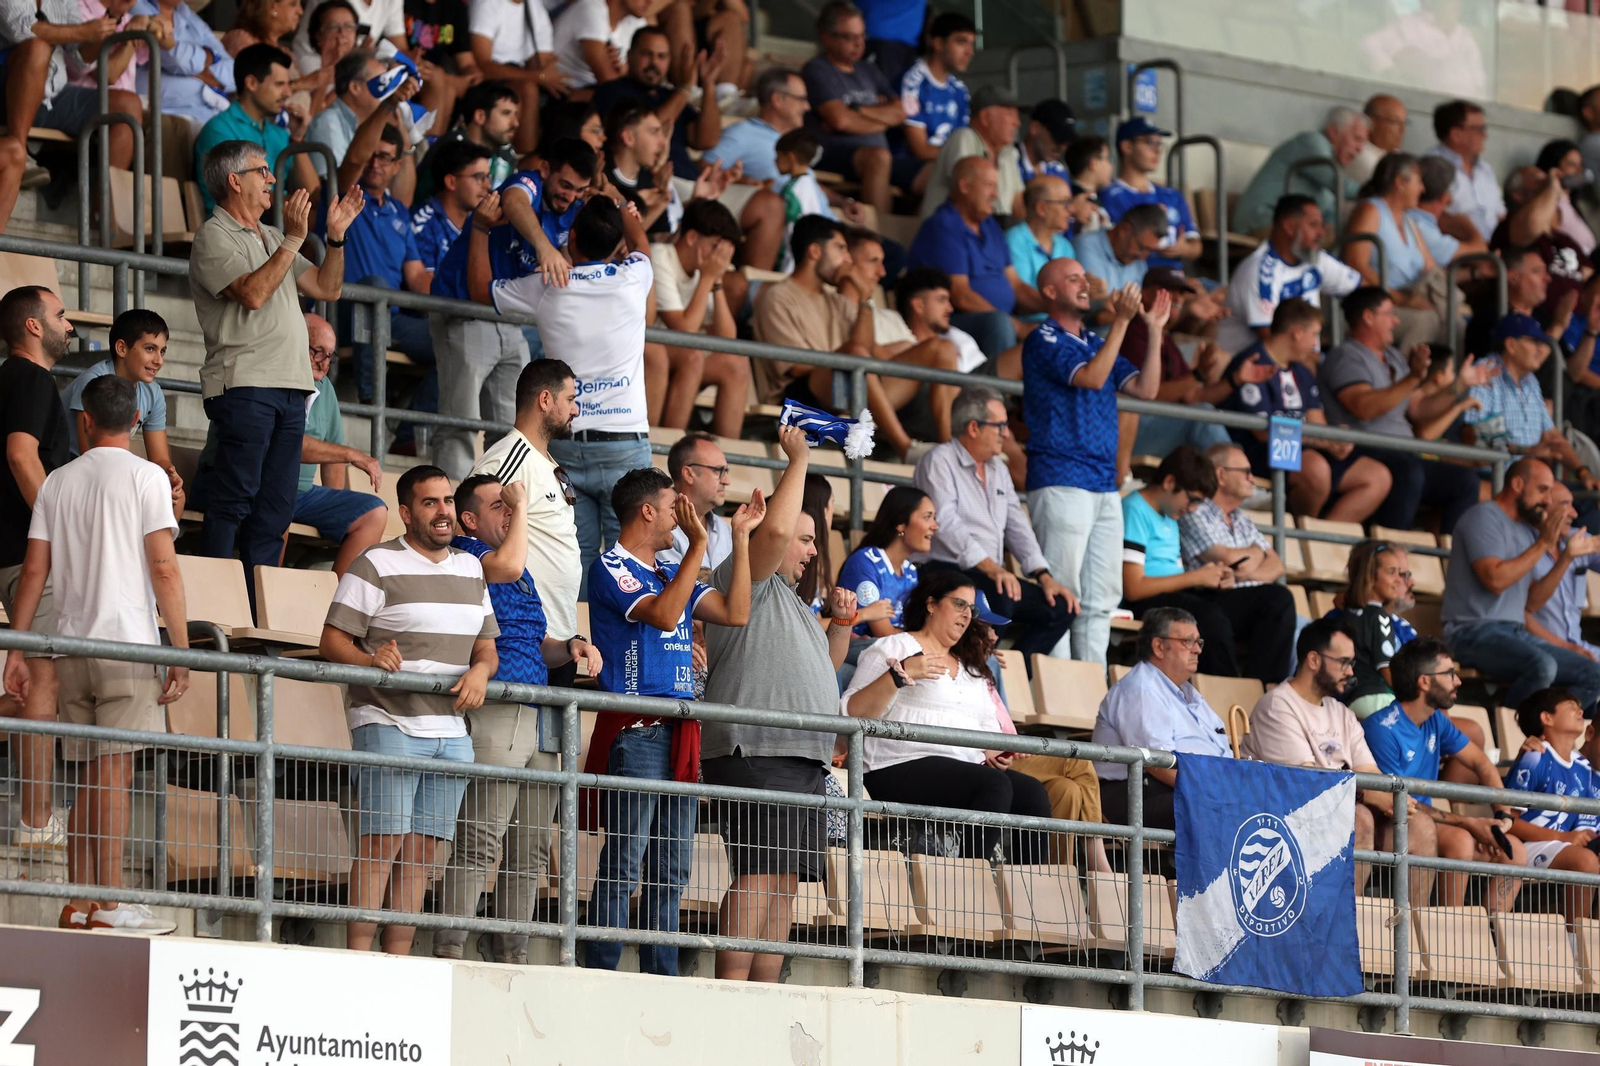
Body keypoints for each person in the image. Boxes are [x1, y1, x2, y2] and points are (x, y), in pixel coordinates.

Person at [2, 376, 189, 935]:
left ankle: (81, 902)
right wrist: (180, 650)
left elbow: (34, 571)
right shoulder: (146, 475)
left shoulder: (58, 481)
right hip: (126, 645)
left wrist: (17, 646)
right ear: (136, 422)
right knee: (113, 777)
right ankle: (107, 905)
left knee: (87, 779)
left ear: (84, 420)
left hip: (68, 647)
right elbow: (164, 566)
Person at [583, 466, 756, 974]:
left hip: (679, 730)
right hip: (637, 730)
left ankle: (661, 974)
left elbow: (735, 611)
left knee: (672, 869)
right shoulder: (609, 566)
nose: (683, 513)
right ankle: (602, 970)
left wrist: (740, 540)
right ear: (647, 511)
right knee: (624, 862)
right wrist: (698, 547)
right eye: (673, 503)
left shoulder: (666, 570)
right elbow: (661, 614)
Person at [320, 464, 498, 954]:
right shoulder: (374, 563)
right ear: (405, 512)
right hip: (388, 721)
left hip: (452, 731)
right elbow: (331, 640)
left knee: (422, 856)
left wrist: (481, 672)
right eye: (429, 503)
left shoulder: (470, 567)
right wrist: (369, 659)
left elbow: (487, 647)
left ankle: (397, 961)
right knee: (381, 846)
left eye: (447, 501)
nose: (443, 512)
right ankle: (359, 959)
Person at [701, 427, 856, 982]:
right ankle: (733, 995)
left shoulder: (789, 602)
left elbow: (825, 668)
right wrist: (799, 459)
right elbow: (779, 529)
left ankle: (764, 999)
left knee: (786, 880)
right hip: (757, 748)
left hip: (800, 756)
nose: (811, 549)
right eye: (806, 539)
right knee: (760, 873)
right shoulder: (746, 577)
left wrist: (839, 626)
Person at [434, 473, 601, 964]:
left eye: (511, 504)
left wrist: (568, 647)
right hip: (497, 707)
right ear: (469, 519)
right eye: (498, 505)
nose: (509, 511)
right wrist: (524, 507)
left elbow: (537, 643)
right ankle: (450, 950)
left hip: (537, 709)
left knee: (529, 849)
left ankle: (514, 955)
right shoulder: (468, 553)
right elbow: (504, 568)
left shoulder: (515, 564)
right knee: (480, 840)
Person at [189, 142, 363, 602]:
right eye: (262, 171)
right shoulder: (214, 234)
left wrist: (336, 237)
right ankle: (216, 600)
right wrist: (291, 238)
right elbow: (251, 294)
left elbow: (328, 287)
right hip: (245, 384)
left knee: (276, 505)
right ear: (234, 180)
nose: (271, 179)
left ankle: (256, 605)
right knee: (235, 498)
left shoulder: (271, 236)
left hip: (290, 389)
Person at [468, 190, 651, 589]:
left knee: (579, 562)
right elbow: (643, 246)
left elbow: (480, 289)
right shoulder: (634, 277)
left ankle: (580, 648)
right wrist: (623, 206)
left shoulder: (549, 283)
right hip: (625, 442)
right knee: (635, 559)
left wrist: (480, 227)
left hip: (565, 438)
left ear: (569, 239)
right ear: (616, 244)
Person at [843, 567, 1054, 862]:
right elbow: (851, 714)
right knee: (993, 785)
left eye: (971, 608)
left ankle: (1027, 897)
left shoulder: (972, 666)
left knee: (1032, 794)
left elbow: (986, 728)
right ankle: (966, 890)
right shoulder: (895, 645)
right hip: (894, 765)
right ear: (931, 604)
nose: (967, 615)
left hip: (962, 769)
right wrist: (897, 675)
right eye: (959, 604)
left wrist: (996, 751)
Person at [1023, 261, 1164, 666]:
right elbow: (1091, 378)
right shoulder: (1043, 338)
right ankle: (1060, 691)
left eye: (1085, 278)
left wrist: (1151, 328)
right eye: (1073, 279)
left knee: (1101, 598)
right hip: (1061, 477)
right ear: (1050, 292)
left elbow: (1146, 388)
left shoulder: (1094, 339)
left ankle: (1089, 693)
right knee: (1062, 595)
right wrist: (1121, 322)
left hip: (1103, 483)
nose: (1084, 285)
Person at [752, 214, 957, 461]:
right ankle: (905, 446)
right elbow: (794, 368)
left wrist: (863, 298)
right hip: (798, 399)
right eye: (840, 248)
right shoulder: (778, 296)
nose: (847, 259)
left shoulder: (837, 301)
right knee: (855, 356)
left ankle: (949, 449)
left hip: (849, 385)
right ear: (815, 251)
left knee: (940, 348)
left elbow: (865, 348)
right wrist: (847, 358)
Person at [1242, 617, 1413, 895]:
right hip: (1285, 818)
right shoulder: (1277, 705)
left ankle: (1410, 930)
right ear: (1313, 660)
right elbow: (1307, 782)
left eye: (1352, 663)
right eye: (1343, 662)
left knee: (1418, 826)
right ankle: (1346, 927)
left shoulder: (1341, 712)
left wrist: (1385, 798)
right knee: (1360, 818)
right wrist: (1368, 795)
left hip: (1336, 807)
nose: (1350, 672)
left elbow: (1371, 773)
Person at [916, 385, 1078, 665]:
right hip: (943, 569)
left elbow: (1017, 524)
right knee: (999, 602)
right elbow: (946, 522)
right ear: (974, 427)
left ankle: (1009, 673)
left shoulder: (999, 469)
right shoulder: (939, 460)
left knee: (1062, 608)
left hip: (988, 574)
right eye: (1000, 425)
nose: (1006, 432)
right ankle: (975, 669)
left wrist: (1044, 575)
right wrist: (993, 568)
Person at [1364, 638, 1526, 909]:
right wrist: (1468, 822)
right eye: (1450, 673)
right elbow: (1397, 805)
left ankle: (1495, 941)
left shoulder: (1435, 719)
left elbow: (1481, 763)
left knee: (1515, 851)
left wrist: (1503, 814)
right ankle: (1446, 935)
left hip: (1425, 820)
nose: (1458, 681)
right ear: (1424, 681)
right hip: (1392, 824)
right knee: (1462, 840)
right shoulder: (1381, 729)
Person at [1318, 287, 1489, 533]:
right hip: (1365, 449)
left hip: (1404, 453)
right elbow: (1364, 407)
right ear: (1368, 317)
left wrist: (1460, 385)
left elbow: (1419, 409)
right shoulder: (1346, 356)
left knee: (1465, 482)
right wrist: (1412, 378)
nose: (1396, 321)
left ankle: (1448, 562)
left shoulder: (1394, 357)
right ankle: (1392, 552)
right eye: (1390, 314)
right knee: (1410, 473)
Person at [1122, 445, 1297, 683]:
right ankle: (1227, 696)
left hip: (1181, 593)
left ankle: (1263, 693)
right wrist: (1196, 577)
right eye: (1192, 500)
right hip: (1151, 600)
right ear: (1170, 482)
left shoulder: (1171, 512)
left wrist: (1212, 577)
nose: (1192, 509)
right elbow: (1133, 588)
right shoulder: (1135, 509)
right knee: (1210, 620)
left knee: (1277, 599)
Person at [0, 286, 73, 850]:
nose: (68, 324)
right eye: (60, 314)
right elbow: (22, 454)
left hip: (12, 550)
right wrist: (61, 532)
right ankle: (35, 823)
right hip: (25, 552)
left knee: (35, 678)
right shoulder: (30, 380)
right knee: (42, 677)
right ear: (32, 326)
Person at [1441, 457, 1600, 714]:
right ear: (1517, 484)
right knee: (1543, 665)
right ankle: (1519, 733)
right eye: (1542, 490)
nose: (1547, 500)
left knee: (1592, 673)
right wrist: (1543, 543)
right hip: (1471, 631)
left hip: (1514, 631)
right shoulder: (1484, 517)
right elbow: (1494, 581)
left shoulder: (1526, 530)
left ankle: (1554, 733)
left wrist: (1565, 556)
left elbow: (1533, 603)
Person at [1221, 299, 1393, 520]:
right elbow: (1263, 433)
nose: (1315, 344)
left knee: (1377, 477)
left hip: (1305, 447)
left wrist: (1335, 439)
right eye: (1314, 334)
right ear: (1297, 333)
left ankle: (1318, 538)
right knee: (1315, 468)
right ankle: (1300, 535)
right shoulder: (1252, 362)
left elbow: (1316, 421)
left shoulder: (1301, 371)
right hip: (1255, 453)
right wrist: (1322, 440)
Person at [469, 359, 583, 684]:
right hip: (525, 640)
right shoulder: (508, 458)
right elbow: (474, 530)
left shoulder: (545, 462)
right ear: (545, 400)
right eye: (570, 400)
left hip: (561, 636)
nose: (575, 410)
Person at [0, 0, 146, 230]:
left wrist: (112, 17)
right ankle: (20, 153)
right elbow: (23, 30)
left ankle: (102, 222)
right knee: (37, 47)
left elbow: (82, 56)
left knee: (127, 105)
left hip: (52, 93)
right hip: (9, 88)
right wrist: (83, 31)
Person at [1090, 606, 1231, 830]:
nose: (1197, 650)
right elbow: (1159, 764)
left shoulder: (1188, 693)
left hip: (1183, 788)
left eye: (1198, 642)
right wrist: (1215, 789)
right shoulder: (1141, 689)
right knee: (1218, 809)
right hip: (1134, 793)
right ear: (1159, 647)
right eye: (1187, 641)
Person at [341, 122, 436, 439]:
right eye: (371, 154)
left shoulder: (399, 212)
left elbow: (417, 276)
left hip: (392, 318)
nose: (375, 163)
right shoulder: (344, 196)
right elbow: (353, 160)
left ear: (398, 165)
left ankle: (408, 437)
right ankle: (372, 404)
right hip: (342, 311)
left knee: (454, 343)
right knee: (374, 287)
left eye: (384, 157)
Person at [907, 156, 1044, 360]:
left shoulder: (990, 226)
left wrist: (1055, 305)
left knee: (1056, 327)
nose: (996, 195)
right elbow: (960, 294)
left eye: (997, 187)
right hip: (956, 321)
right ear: (964, 186)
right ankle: (1001, 391)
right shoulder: (943, 226)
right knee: (998, 323)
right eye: (989, 186)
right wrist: (1015, 325)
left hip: (1002, 320)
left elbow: (1016, 285)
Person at [1463, 316, 1600, 511]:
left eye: (1542, 343)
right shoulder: (1486, 372)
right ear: (1510, 344)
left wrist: (1583, 472)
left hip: (1532, 480)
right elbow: (1473, 437)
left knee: (1589, 500)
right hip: (1496, 476)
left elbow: (1552, 437)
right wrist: (1528, 451)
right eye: (1534, 342)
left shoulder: (1530, 382)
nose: (1541, 349)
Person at [59, 309, 184, 518]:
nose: (158, 360)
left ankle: (152, 551)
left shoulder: (152, 393)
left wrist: (169, 475)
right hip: (68, 466)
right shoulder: (94, 382)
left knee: (175, 498)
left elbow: (160, 459)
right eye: (150, 349)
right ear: (122, 348)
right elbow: (88, 456)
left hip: (109, 466)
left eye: (162, 351)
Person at [293, 313, 388, 577]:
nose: (324, 364)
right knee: (276, 508)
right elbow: (287, 444)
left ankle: (339, 602)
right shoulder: (274, 380)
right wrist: (353, 455)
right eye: (317, 352)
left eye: (330, 356)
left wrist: (332, 508)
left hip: (303, 496)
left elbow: (331, 453)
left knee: (374, 511)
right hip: (266, 489)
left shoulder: (326, 388)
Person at [648, 198, 749, 437]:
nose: (719, 259)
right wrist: (707, 277)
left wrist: (716, 281)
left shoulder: (705, 271)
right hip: (651, 352)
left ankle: (729, 454)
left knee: (737, 364)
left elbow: (726, 341)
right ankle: (671, 441)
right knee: (692, 356)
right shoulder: (661, 256)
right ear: (692, 238)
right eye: (716, 247)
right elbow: (683, 333)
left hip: (677, 352)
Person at [1216, 194, 1361, 355]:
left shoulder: (1315, 259)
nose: (1321, 233)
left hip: (1301, 361)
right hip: (1256, 368)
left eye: (1321, 225)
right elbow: (1276, 344)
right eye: (1313, 225)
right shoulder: (1260, 271)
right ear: (1290, 227)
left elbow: (1362, 290)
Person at [1125, 270, 1242, 458]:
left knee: (1207, 413)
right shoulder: (1134, 331)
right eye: (1168, 291)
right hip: (1133, 429)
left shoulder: (1167, 340)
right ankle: (1233, 475)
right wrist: (1196, 376)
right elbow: (1146, 394)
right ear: (1145, 294)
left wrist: (1235, 380)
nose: (1177, 298)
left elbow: (1192, 396)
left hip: (1161, 426)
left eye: (1181, 293)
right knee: (1200, 416)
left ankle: (1233, 474)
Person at [801, 0, 901, 220]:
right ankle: (879, 232)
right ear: (826, 37)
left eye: (862, 36)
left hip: (874, 154)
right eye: (849, 37)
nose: (858, 44)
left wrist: (857, 110)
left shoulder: (869, 69)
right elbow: (840, 121)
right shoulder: (817, 70)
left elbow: (900, 111)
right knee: (880, 157)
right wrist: (882, 117)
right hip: (832, 152)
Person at [1506, 688, 1600, 922]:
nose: (1580, 710)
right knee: (1585, 861)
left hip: (1559, 845)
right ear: (1547, 718)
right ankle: (1576, 942)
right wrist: (1562, 838)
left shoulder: (1582, 767)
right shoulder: (1535, 756)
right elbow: (1508, 821)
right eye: (1571, 706)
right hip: (1527, 846)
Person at [193, 44, 321, 214]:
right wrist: (303, 206)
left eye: (288, 84)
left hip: (276, 224)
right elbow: (244, 198)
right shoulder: (220, 130)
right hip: (235, 229)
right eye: (279, 84)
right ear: (252, 83)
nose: (288, 92)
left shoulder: (280, 133)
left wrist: (297, 139)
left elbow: (314, 193)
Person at [1343, 152, 1447, 353]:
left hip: (1408, 299)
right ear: (1400, 182)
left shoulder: (1410, 222)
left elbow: (1432, 269)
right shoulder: (1371, 210)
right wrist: (1400, 299)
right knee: (1425, 320)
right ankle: (1408, 380)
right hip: (1373, 304)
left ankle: (1446, 381)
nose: (1422, 189)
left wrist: (1474, 274)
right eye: (1419, 182)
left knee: (1454, 321)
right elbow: (1356, 264)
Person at [1232, 107, 1368, 236]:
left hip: (1286, 225)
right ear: (1334, 132)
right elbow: (1340, 184)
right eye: (1357, 139)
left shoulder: (1332, 163)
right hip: (1259, 222)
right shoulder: (1312, 142)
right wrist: (1377, 192)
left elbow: (1331, 213)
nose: (1360, 149)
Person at [1177, 442, 1291, 592]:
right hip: (1217, 599)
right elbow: (1227, 559)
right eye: (1246, 472)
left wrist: (1240, 576)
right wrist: (1259, 552)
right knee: (1280, 596)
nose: (1252, 479)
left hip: (1256, 599)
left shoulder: (1242, 519)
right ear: (1221, 475)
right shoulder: (1194, 512)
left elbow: (1277, 565)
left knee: (1281, 598)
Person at [1099, 117, 1201, 271]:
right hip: (1136, 279)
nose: (1157, 150)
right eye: (1149, 142)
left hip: (1176, 279)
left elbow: (1196, 246)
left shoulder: (1172, 195)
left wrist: (1183, 249)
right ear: (1127, 146)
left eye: (1159, 144)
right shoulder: (1109, 196)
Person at [1337, 539, 1422, 719]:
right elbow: (1387, 667)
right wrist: (1408, 700)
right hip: (1377, 698)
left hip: (1352, 699)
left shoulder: (1352, 615)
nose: (1399, 581)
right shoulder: (1380, 616)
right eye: (1392, 573)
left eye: (1400, 574)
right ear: (1371, 577)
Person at [837, 486, 934, 642]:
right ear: (901, 523)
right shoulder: (865, 562)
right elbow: (883, 633)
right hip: (856, 650)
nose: (935, 526)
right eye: (927, 517)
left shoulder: (910, 570)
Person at [916, 84, 1023, 223]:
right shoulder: (963, 138)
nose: (1017, 123)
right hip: (951, 232)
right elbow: (970, 199)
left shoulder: (1008, 153)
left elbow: (1019, 204)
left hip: (989, 235)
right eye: (1010, 115)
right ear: (985, 118)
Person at [895, 11, 973, 196]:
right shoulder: (913, 81)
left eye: (971, 44)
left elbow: (961, 140)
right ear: (938, 43)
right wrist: (960, 156)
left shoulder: (959, 90)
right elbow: (919, 149)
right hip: (908, 163)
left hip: (945, 163)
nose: (970, 52)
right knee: (961, 181)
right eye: (961, 42)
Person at [463, 0, 550, 155]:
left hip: (518, 76)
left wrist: (542, 76)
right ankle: (524, 159)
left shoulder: (535, 8)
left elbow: (545, 65)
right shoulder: (487, 5)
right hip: (484, 81)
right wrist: (538, 76)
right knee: (528, 88)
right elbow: (482, 65)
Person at [1527, 482, 1600, 664]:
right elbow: (1526, 609)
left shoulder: (1577, 537)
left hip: (1579, 646)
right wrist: (1566, 558)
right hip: (1541, 650)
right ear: (1543, 507)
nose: (1574, 513)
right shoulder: (1522, 545)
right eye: (1564, 504)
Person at [129, 0, 234, 128]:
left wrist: (204, 58)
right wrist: (209, 59)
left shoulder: (186, 13)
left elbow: (233, 74)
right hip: (164, 118)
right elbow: (177, 60)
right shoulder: (134, 5)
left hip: (207, 117)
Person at [418, 79, 520, 202]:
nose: (515, 123)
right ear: (480, 117)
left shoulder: (506, 153)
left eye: (515, 114)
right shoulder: (450, 149)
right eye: (506, 113)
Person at [1425, 99, 1504, 244]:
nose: (1485, 136)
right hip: (1458, 253)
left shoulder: (1485, 170)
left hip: (1494, 250)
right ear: (1456, 135)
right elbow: (1431, 218)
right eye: (1480, 129)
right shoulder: (1432, 165)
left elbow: (1500, 215)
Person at [658, 432, 732, 569]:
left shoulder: (724, 529)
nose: (727, 481)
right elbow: (675, 586)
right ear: (688, 474)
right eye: (718, 471)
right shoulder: (660, 524)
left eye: (726, 471)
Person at [1004, 175, 1075, 310]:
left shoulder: (1065, 246)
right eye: (1065, 203)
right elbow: (1022, 296)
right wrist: (1064, 309)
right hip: (1031, 324)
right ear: (1042, 208)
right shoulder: (1014, 240)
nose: (1071, 210)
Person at [551, 0, 649, 92]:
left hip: (594, 91)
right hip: (562, 92)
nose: (650, 1)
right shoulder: (591, 8)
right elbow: (608, 83)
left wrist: (624, 72)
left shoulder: (637, 22)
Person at [1072, 202, 1165, 293]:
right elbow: (1092, 300)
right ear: (1125, 230)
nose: (1144, 257)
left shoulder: (1139, 264)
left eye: (1150, 250)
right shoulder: (1086, 245)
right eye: (1141, 247)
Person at [1537, 139, 1599, 257]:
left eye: (1580, 165)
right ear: (1554, 168)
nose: (1579, 171)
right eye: (1572, 165)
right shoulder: (1549, 204)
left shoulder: (1569, 202)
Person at [1347, 93, 1407, 186]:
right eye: (1396, 122)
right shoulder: (1359, 152)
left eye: (1404, 123)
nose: (1402, 130)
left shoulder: (1393, 153)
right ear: (1372, 123)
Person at [1016, 97, 1074, 185]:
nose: (1062, 147)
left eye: (1066, 140)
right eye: (1057, 137)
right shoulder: (1008, 163)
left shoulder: (1057, 171)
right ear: (1035, 128)